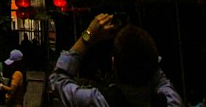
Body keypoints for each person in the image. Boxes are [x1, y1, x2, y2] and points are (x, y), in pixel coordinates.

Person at [49, 13, 183, 107]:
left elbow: (57, 79)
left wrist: (88, 36)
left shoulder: (99, 101)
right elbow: (158, 73)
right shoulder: (171, 101)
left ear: (113, 63)